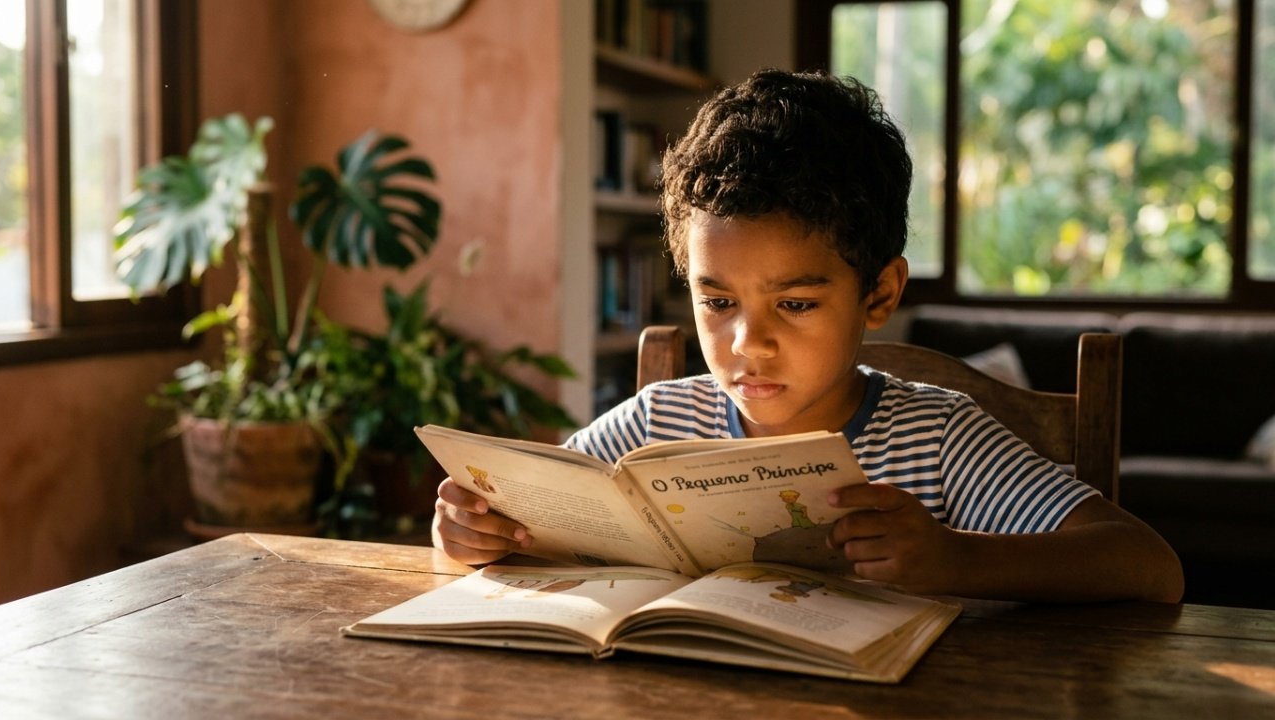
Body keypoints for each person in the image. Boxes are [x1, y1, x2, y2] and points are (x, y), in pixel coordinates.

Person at [432, 68, 1184, 603]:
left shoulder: (937, 440)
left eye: (794, 305)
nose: (745, 344)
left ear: (879, 293)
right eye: (716, 299)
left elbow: (1149, 567)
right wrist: (467, 533)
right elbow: (511, 520)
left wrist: (956, 558)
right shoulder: (658, 424)